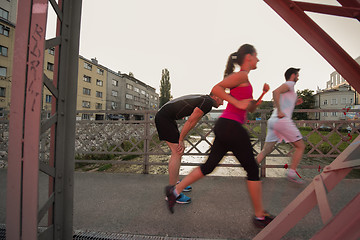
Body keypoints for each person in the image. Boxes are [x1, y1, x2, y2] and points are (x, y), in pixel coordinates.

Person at [165, 44, 275, 228]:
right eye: (256, 56)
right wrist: (235, 102)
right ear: (248, 57)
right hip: (231, 126)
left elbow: (250, 106)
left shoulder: (246, 79)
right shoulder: (241, 75)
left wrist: (263, 93)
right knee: (253, 169)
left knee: (208, 166)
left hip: (226, 127)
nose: (258, 59)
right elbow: (216, 89)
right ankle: (259, 216)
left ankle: (174, 191)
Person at [155, 93, 223, 204]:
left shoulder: (204, 99)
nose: (222, 103)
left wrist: (181, 139)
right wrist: (181, 139)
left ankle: (177, 183)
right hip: (164, 118)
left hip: (166, 118)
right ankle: (172, 194)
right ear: (215, 96)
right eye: (222, 100)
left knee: (178, 152)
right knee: (177, 152)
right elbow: (191, 121)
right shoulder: (208, 103)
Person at [256, 68, 306, 184]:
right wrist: (279, 110)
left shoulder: (290, 89)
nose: (298, 77)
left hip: (273, 121)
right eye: (297, 75)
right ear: (293, 75)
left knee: (265, 150)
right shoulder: (289, 84)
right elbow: (275, 92)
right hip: (282, 121)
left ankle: (251, 171)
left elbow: (283, 101)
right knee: (300, 146)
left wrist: (295, 102)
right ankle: (291, 173)